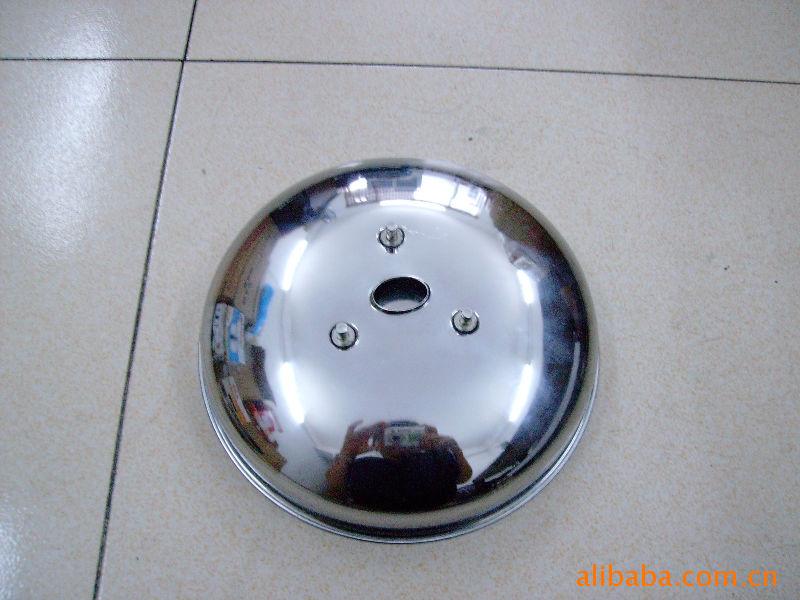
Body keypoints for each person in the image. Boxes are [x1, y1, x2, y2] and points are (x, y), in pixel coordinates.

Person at [326, 420, 472, 510]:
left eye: (410, 436)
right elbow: (334, 492)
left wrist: (454, 448)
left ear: (422, 438)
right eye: (393, 436)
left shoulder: (438, 457)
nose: (400, 443)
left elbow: (464, 477)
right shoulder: (363, 466)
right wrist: (347, 453)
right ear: (378, 444)